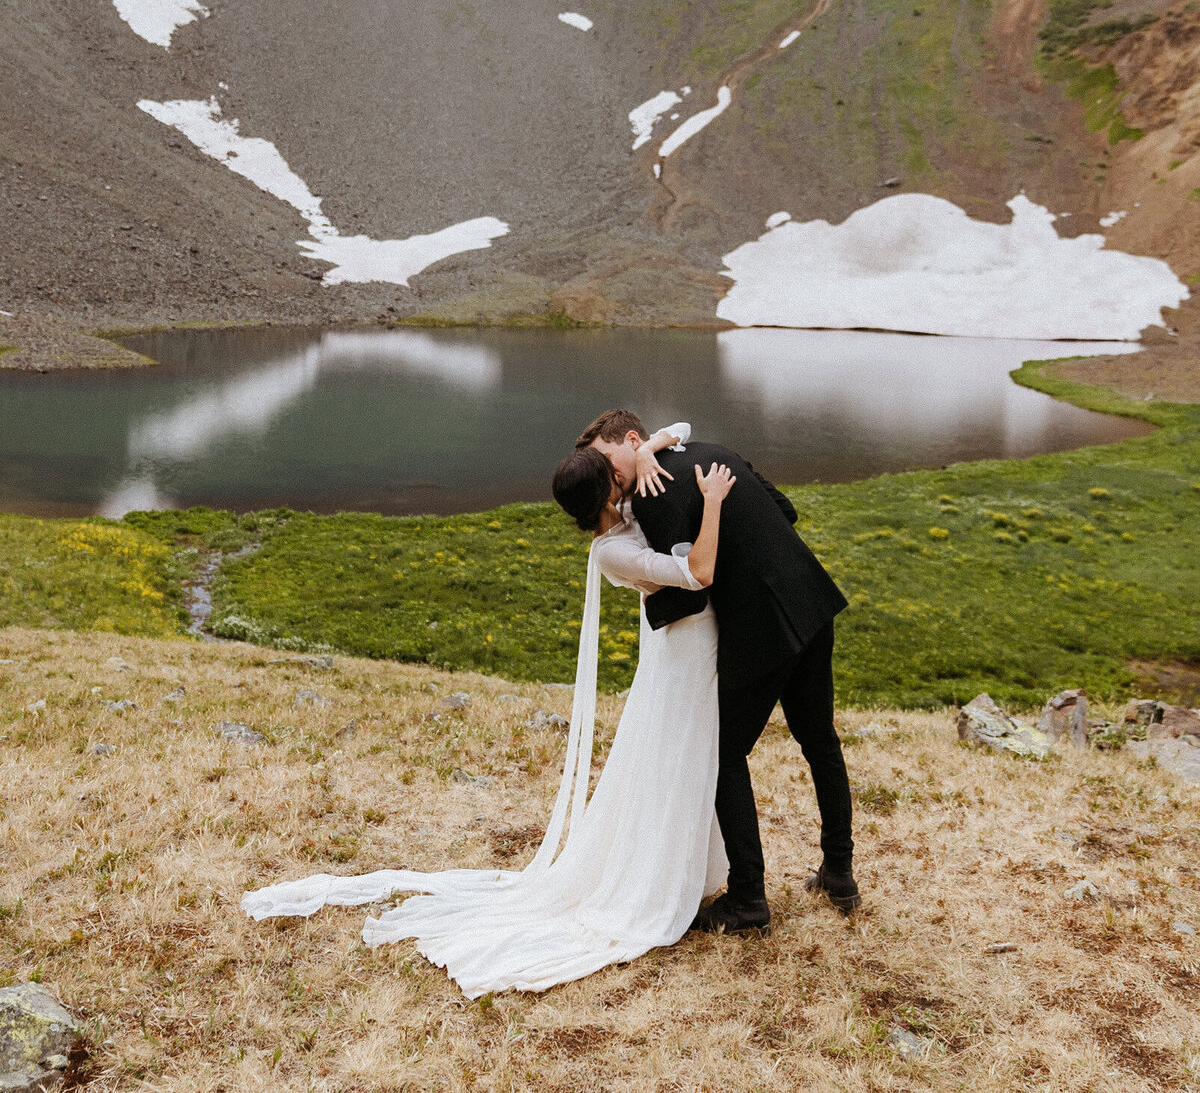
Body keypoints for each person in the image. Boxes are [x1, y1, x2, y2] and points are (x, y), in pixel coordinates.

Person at [240, 421, 739, 996]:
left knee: (686, 755)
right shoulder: (614, 550)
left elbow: (670, 429)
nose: (625, 482)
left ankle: (694, 870)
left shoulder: (623, 510)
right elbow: (697, 572)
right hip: (681, 654)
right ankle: (661, 880)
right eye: (616, 481)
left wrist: (647, 452)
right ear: (607, 496)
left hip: (680, 647)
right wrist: (714, 504)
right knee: (681, 753)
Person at [580, 408, 858, 930]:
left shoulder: (650, 496)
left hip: (762, 627)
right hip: (809, 596)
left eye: (606, 461)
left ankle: (749, 899)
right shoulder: (710, 450)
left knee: (725, 753)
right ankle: (839, 873)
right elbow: (785, 508)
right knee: (820, 739)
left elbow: (691, 590)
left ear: (631, 440)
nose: (608, 478)